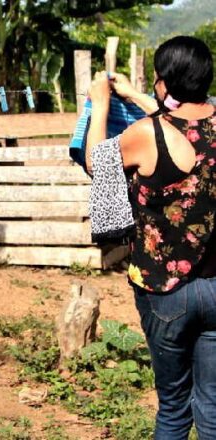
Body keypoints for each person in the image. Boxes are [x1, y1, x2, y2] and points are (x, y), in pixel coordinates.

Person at [86, 35, 216, 439]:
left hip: (164, 291)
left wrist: (102, 102)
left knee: (174, 407)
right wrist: (137, 94)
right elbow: (188, 121)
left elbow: (98, 164)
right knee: (213, 405)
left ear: (164, 81)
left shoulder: (145, 134)